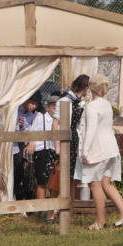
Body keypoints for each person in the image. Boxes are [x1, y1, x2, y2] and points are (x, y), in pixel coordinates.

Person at [79, 74, 123, 230]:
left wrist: (84, 151)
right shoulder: (107, 104)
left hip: (98, 149)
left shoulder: (91, 106)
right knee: (106, 183)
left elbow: (91, 130)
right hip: (111, 148)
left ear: (91, 87)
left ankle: (100, 221)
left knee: (94, 184)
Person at [28, 94, 60, 223]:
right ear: (48, 107)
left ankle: (52, 210)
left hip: (54, 152)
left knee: (54, 182)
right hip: (42, 152)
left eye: (57, 109)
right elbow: (32, 132)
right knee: (42, 182)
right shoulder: (41, 118)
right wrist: (31, 142)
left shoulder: (59, 121)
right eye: (53, 108)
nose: (55, 111)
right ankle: (40, 210)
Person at [60, 74, 90, 189]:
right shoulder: (66, 99)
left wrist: (80, 143)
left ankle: (69, 204)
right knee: (64, 174)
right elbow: (61, 121)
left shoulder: (79, 101)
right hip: (67, 136)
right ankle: (57, 205)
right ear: (85, 87)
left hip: (75, 138)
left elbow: (79, 125)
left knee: (72, 175)